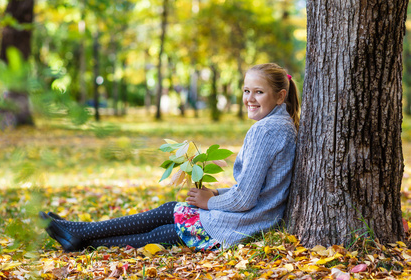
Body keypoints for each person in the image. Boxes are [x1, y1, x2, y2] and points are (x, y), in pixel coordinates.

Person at [40, 63, 300, 252]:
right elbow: (257, 187)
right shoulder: (281, 124)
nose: (249, 99)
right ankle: (79, 232)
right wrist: (218, 194)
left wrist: (210, 202)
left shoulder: (265, 130)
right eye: (246, 91)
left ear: (280, 95)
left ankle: (80, 237)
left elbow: (245, 198)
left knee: (161, 232)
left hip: (237, 225)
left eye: (259, 92)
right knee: (167, 212)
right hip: (251, 217)